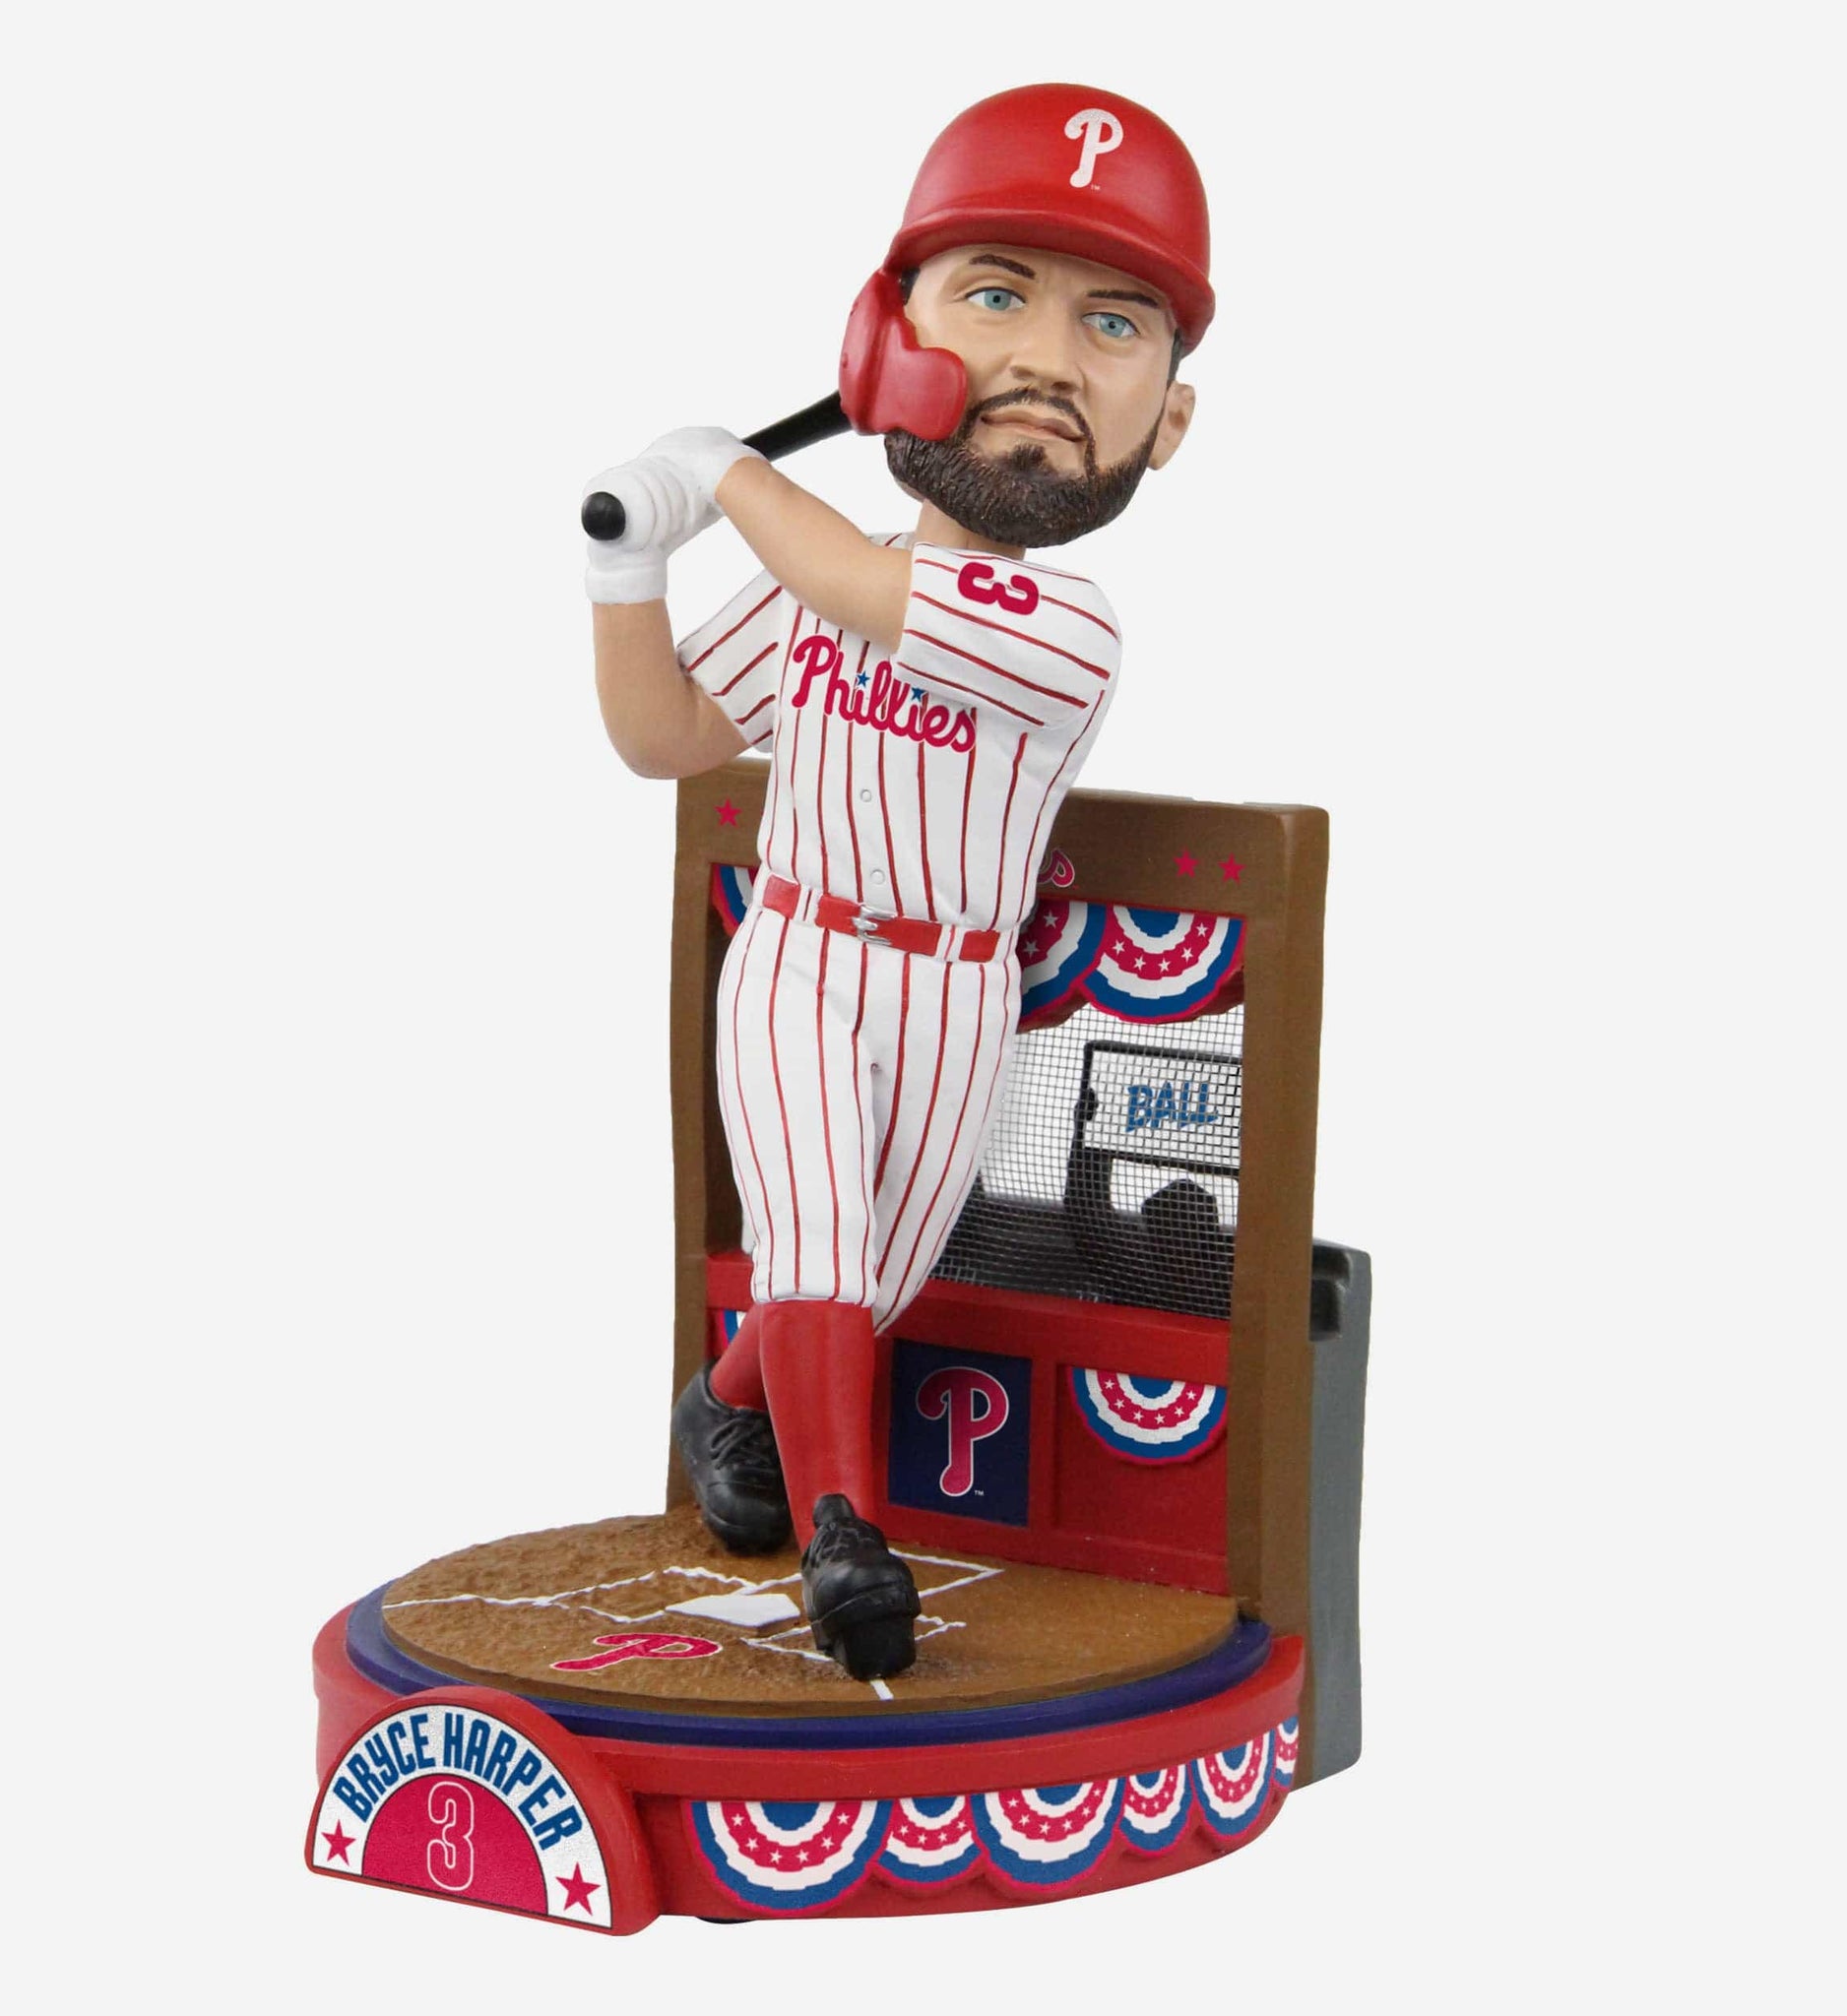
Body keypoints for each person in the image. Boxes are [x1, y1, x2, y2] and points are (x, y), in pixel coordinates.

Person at [584, 85, 1212, 1680]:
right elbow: (664, 740)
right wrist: (623, 566)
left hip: (958, 988)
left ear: (1168, 421)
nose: (1047, 359)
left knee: (873, 1289)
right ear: (885, 341)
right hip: (801, 954)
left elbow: (877, 590)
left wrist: (727, 476)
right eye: (995, 296)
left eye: (1114, 324)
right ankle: (845, 1541)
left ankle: (726, 1408)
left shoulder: (1071, 631)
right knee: (813, 1246)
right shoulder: (813, 581)